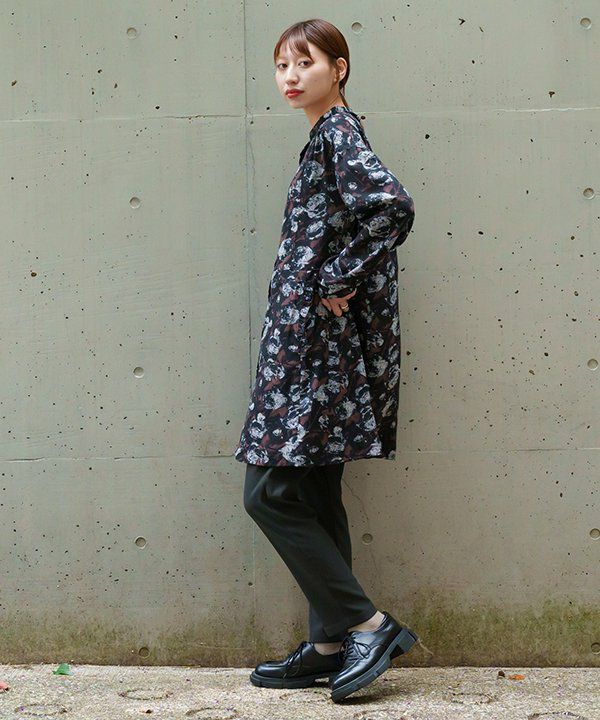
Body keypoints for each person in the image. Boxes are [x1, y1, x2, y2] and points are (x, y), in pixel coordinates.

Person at [235, 18, 419, 702]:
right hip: (313, 345)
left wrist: (336, 278)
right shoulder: (326, 136)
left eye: (305, 63)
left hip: (315, 349)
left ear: (338, 68)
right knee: (313, 493)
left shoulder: (339, 133)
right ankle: (330, 643)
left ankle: (368, 625)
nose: (290, 76)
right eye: (282, 65)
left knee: (269, 493)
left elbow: (391, 209)